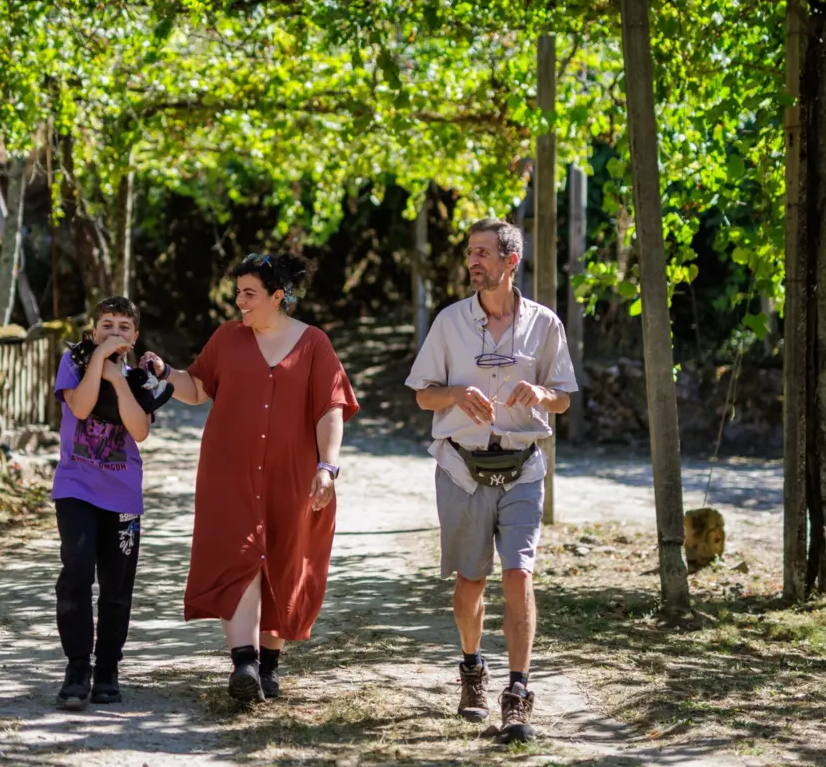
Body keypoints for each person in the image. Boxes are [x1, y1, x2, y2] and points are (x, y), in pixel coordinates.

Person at [140, 253, 358, 702]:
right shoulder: (227, 337)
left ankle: (270, 666)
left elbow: (330, 409)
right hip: (229, 472)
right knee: (237, 559)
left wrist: (327, 466)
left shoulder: (314, 343)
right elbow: (198, 387)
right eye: (238, 292)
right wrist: (166, 373)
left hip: (292, 475)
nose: (240, 301)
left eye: (249, 294)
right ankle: (244, 663)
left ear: (278, 296)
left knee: (283, 558)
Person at [404, 218, 577, 742]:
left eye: (482, 253)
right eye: (470, 252)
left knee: (518, 575)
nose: (472, 262)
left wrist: (541, 396)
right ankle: (473, 667)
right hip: (461, 468)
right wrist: (456, 394)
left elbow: (563, 397)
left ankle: (518, 691)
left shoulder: (545, 325)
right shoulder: (449, 322)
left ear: (510, 261)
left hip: (523, 467)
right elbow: (422, 395)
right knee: (470, 582)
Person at [51, 296, 154, 710]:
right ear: (93, 332)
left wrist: (118, 377)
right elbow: (79, 405)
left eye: (123, 327)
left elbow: (140, 430)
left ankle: (107, 667)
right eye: (106, 325)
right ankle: (78, 667)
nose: (114, 332)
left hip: (124, 497)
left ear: (135, 337)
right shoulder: (73, 363)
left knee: (116, 586)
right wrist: (99, 364)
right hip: (75, 488)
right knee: (76, 572)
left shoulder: (141, 377)